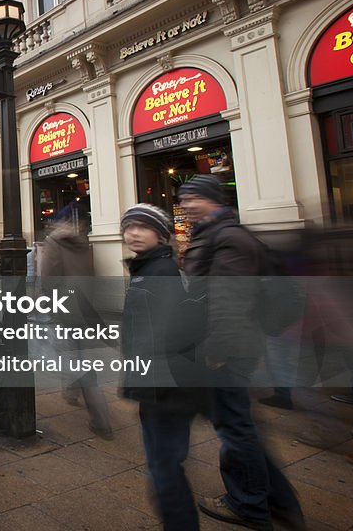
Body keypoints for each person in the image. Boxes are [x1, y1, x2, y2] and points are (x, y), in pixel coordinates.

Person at [178, 174, 304, 531]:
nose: (185, 204)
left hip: (229, 345)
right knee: (241, 425)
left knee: (236, 428)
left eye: (192, 198)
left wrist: (217, 351)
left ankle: (249, 504)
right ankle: (281, 502)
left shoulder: (228, 238)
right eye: (182, 199)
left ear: (213, 199)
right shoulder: (215, 234)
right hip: (230, 343)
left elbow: (228, 300)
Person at [118, 204, 210, 530]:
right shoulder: (152, 269)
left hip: (165, 390)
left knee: (164, 466)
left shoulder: (159, 274)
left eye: (143, 227)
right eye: (129, 227)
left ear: (161, 233)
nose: (133, 233)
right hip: (168, 386)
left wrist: (144, 384)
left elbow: (159, 336)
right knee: (166, 463)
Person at [39, 201, 113, 439]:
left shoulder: (54, 242)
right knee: (77, 350)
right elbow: (95, 273)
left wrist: (50, 304)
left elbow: (48, 279)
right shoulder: (83, 242)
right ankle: (70, 390)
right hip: (85, 306)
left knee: (75, 357)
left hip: (66, 307)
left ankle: (100, 416)